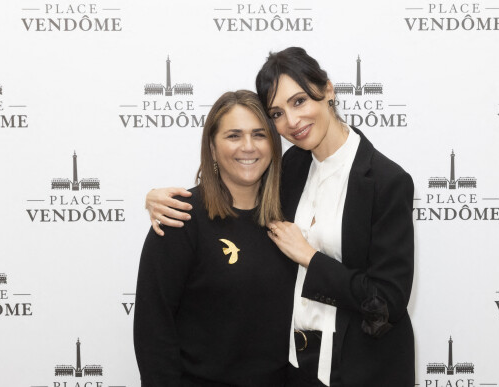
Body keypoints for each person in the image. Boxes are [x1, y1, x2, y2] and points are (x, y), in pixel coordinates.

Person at [146, 47, 415, 387]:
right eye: (276, 112)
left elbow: (387, 302)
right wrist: (156, 198)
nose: (292, 121)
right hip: (295, 371)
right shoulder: (290, 170)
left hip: (362, 370)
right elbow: (232, 197)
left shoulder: (386, 182)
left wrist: (310, 258)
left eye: (299, 101)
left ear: (328, 91)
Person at [134, 90, 297, 387]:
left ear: (274, 144)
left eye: (259, 135)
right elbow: (153, 330)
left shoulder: (293, 213)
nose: (248, 147)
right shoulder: (180, 217)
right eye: (234, 136)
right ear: (211, 147)